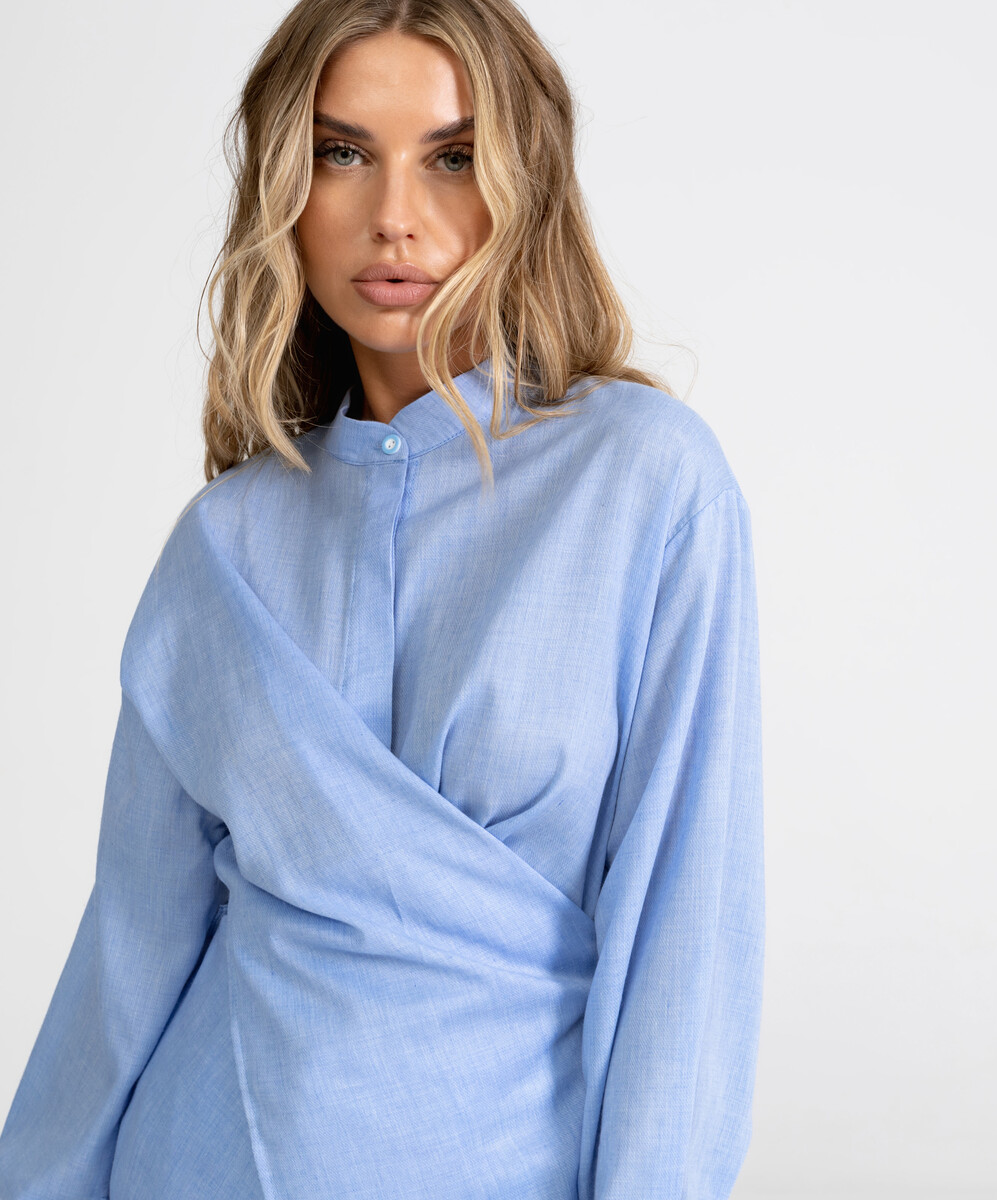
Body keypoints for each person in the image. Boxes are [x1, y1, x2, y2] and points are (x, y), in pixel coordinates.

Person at [0, 0, 765, 1196]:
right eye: (342, 153)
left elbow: (688, 939)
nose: (394, 215)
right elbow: (129, 954)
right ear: (284, 190)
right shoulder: (224, 542)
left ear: (523, 185)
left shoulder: (647, 482)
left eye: (452, 158)